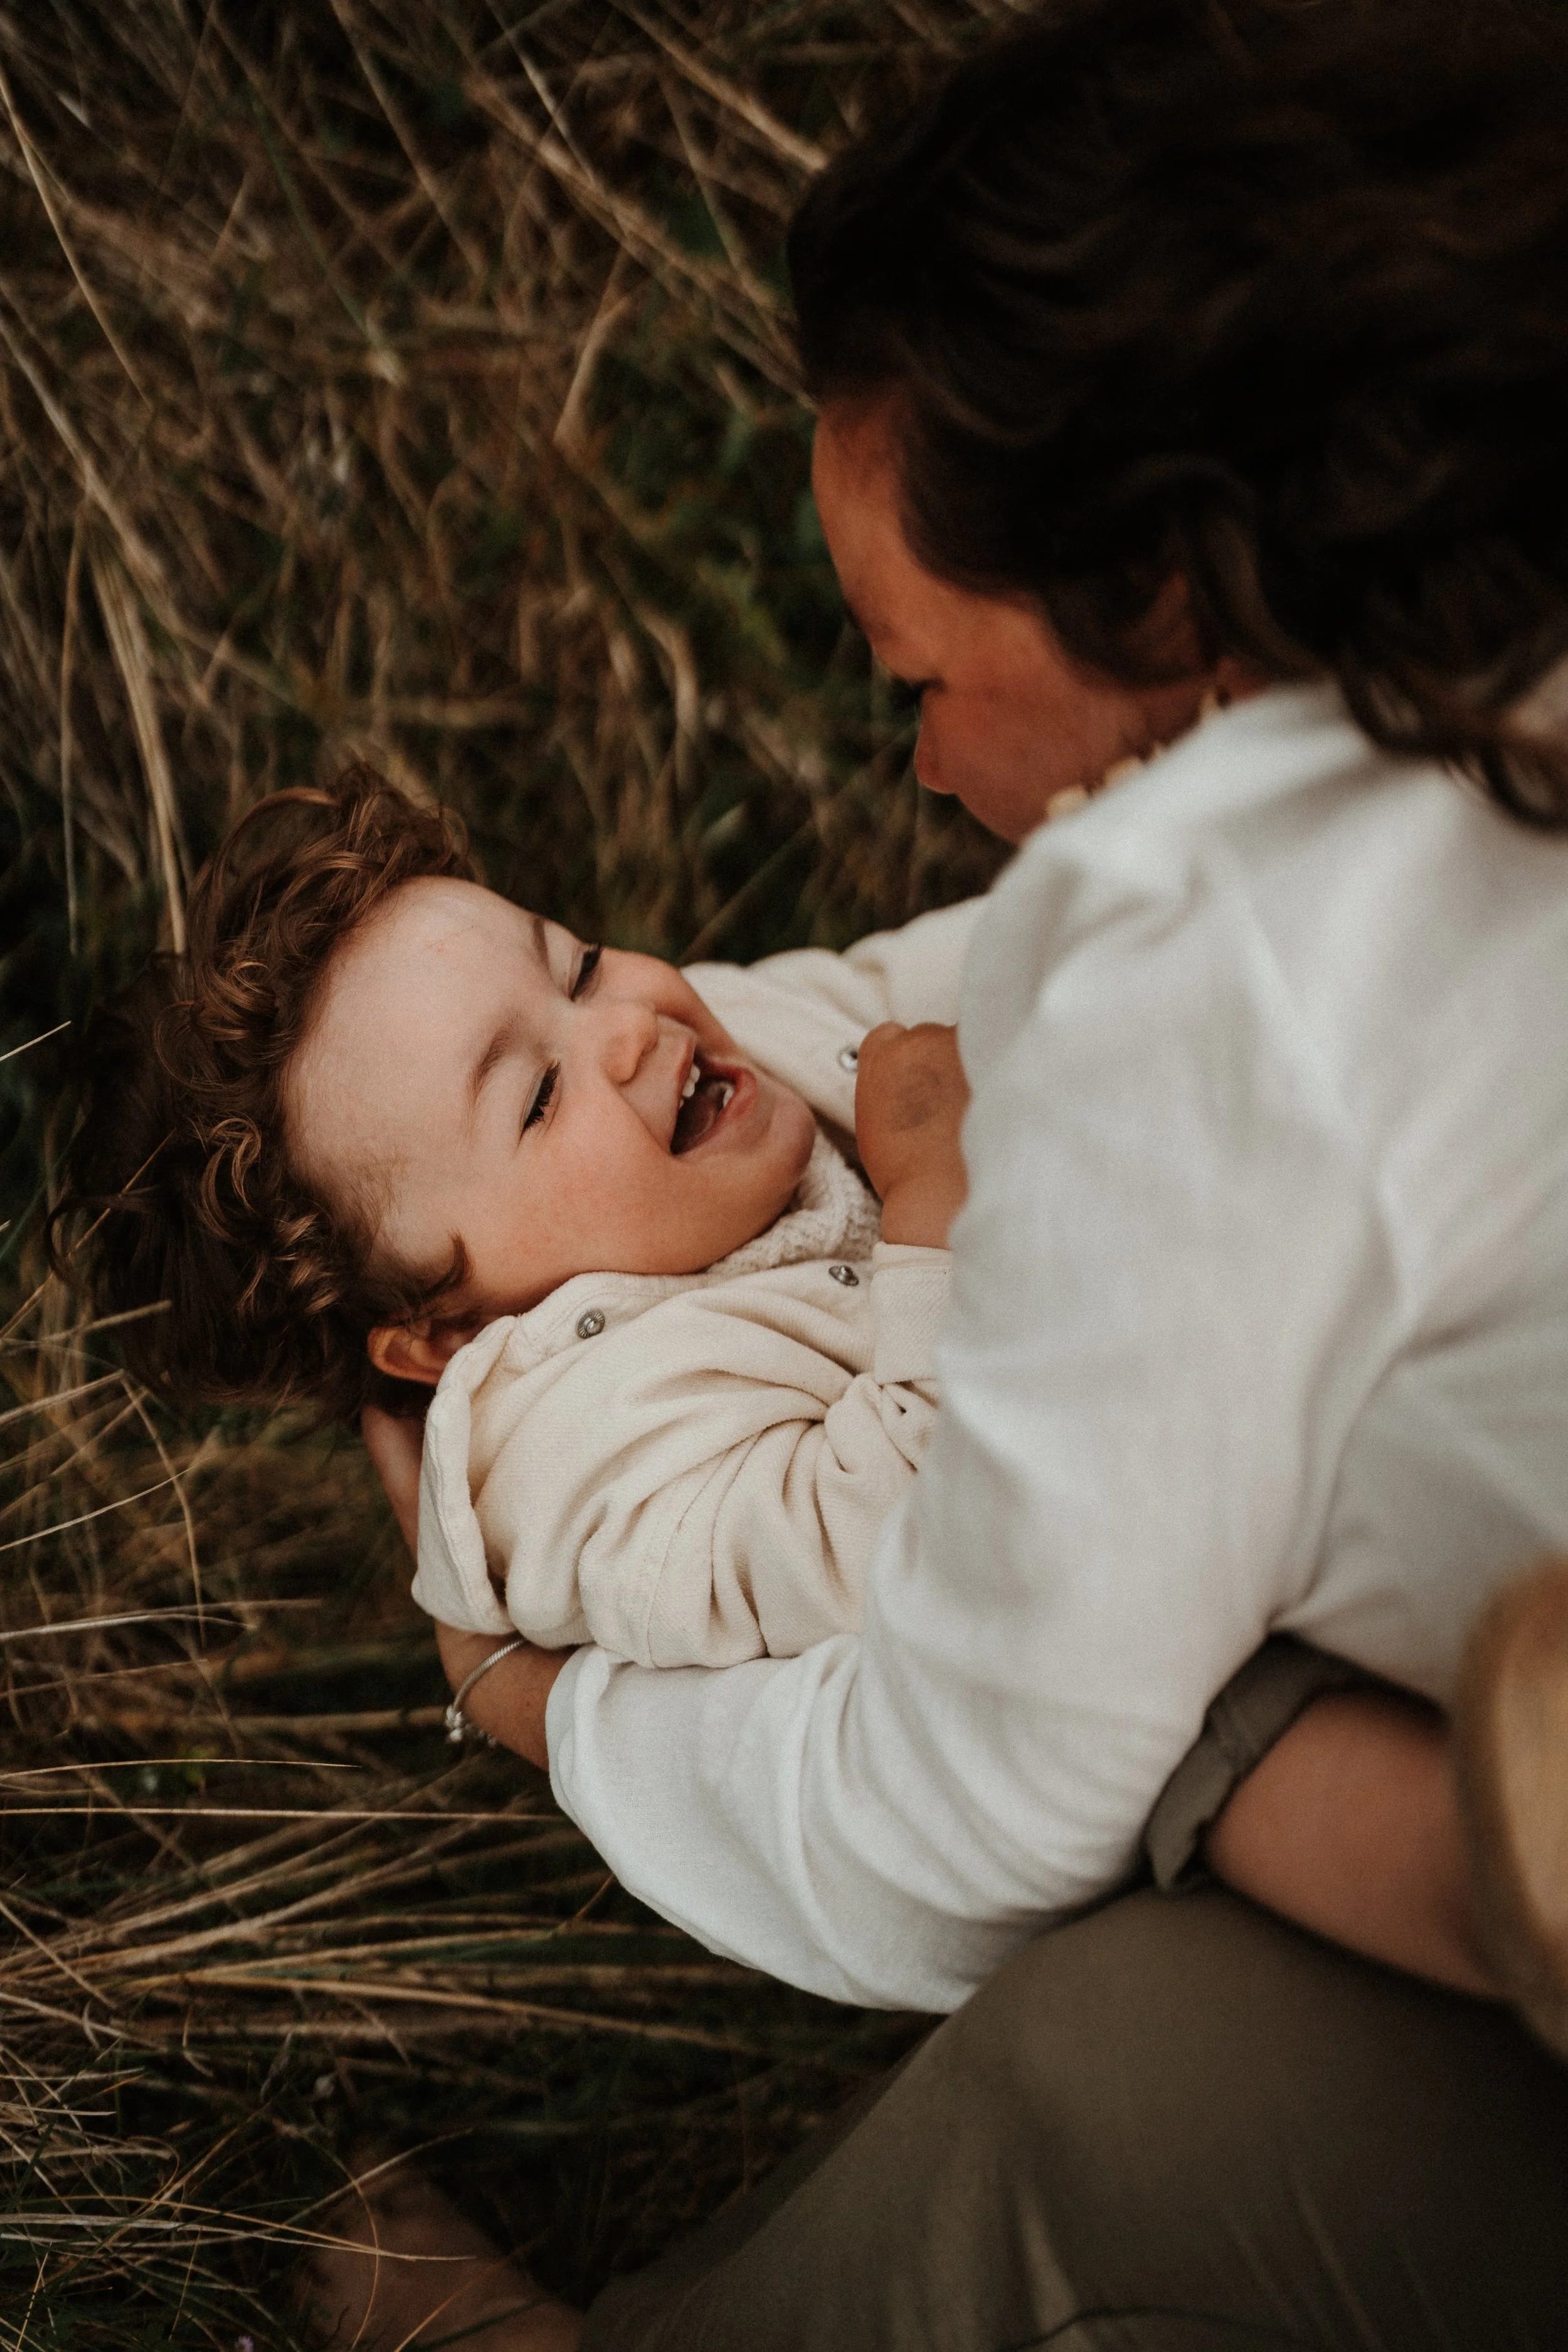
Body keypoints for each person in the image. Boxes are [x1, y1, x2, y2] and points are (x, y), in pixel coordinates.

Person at [323, 0, 1568, 2343]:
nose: (915, 764)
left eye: (913, 677)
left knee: (1094, 2081)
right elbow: (913, 990)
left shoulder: (1217, 955)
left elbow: (956, 1834)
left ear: (1169, 603)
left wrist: (540, 1709)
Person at [53, 770, 978, 1670]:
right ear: (444, 1327)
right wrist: (933, 1200)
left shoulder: (727, 1035)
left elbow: (1004, 949)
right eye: (537, 1098)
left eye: (576, 968)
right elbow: (895, 1555)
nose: (625, 1029)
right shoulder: (586, 1455)